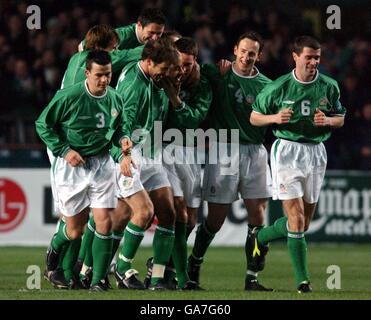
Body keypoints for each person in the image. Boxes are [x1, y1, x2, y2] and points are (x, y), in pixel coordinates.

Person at [250, 35, 346, 293]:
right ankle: (303, 282)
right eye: (309, 57)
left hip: (316, 152)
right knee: (296, 217)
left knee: (302, 225)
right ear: (295, 57)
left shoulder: (329, 86)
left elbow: (340, 118)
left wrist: (327, 121)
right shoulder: (278, 87)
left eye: (317, 57)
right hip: (287, 151)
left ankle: (261, 236)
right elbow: (254, 118)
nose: (314, 62)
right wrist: (274, 118)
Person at [36, 50, 131, 292]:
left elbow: (120, 128)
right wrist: (64, 149)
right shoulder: (70, 95)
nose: (104, 80)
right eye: (99, 75)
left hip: (101, 164)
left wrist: (123, 143)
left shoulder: (115, 98)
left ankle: (98, 280)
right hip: (72, 165)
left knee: (104, 222)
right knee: (74, 229)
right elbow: (43, 124)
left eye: (108, 75)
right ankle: (56, 250)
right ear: (87, 73)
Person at [187, 31, 273, 291]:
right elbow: (192, 74)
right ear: (235, 50)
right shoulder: (218, 73)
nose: (247, 56)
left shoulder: (266, 85)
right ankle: (194, 264)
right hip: (224, 148)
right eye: (244, 51)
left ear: (259, 56)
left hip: (255, 150)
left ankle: (252, 277)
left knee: (258, 217)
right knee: (216, 219)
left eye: (253, 53)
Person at [112, 38, 180, 290]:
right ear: (149, 62)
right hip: (133, 155)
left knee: (168, 214)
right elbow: (123, 121)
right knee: (138, 213)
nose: (167, 74)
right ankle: (120, 267)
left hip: (152, 154)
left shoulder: (154, 79)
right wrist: (124, 153)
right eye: (164, 68)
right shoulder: (133, 85)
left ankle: (157, 276)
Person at [145, 37, 211, 290]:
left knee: (190, 220)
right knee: (176, 213)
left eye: (188, 65)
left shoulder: (202, 85)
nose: (182, 71)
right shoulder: (161, 81)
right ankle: (173, 277)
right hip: (164, 151)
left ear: (196, 63)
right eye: (178, 65)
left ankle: (167, 269)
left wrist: (176, 98)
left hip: (192, 154)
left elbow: (193, 120)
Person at [78, 8, 166, 52]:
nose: (155, 38)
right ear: (139, 25)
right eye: (151, 32)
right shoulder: (121, 36)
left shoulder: (161, 41)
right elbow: (81, 46)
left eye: (159, 33)